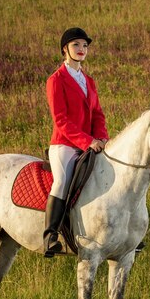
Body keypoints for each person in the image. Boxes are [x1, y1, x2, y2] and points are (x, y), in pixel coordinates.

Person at [43, 27, 109, 257]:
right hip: (64, 145)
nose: (82, 50)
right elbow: (60, 120)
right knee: (61, 181)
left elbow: (98, 114)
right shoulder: (56, 80)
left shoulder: (89, 81)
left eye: (85, 46)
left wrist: (101, 137)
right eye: (76, 45)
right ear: (65, 49)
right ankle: (50, 235)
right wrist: (87, 141)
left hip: (91, 142)